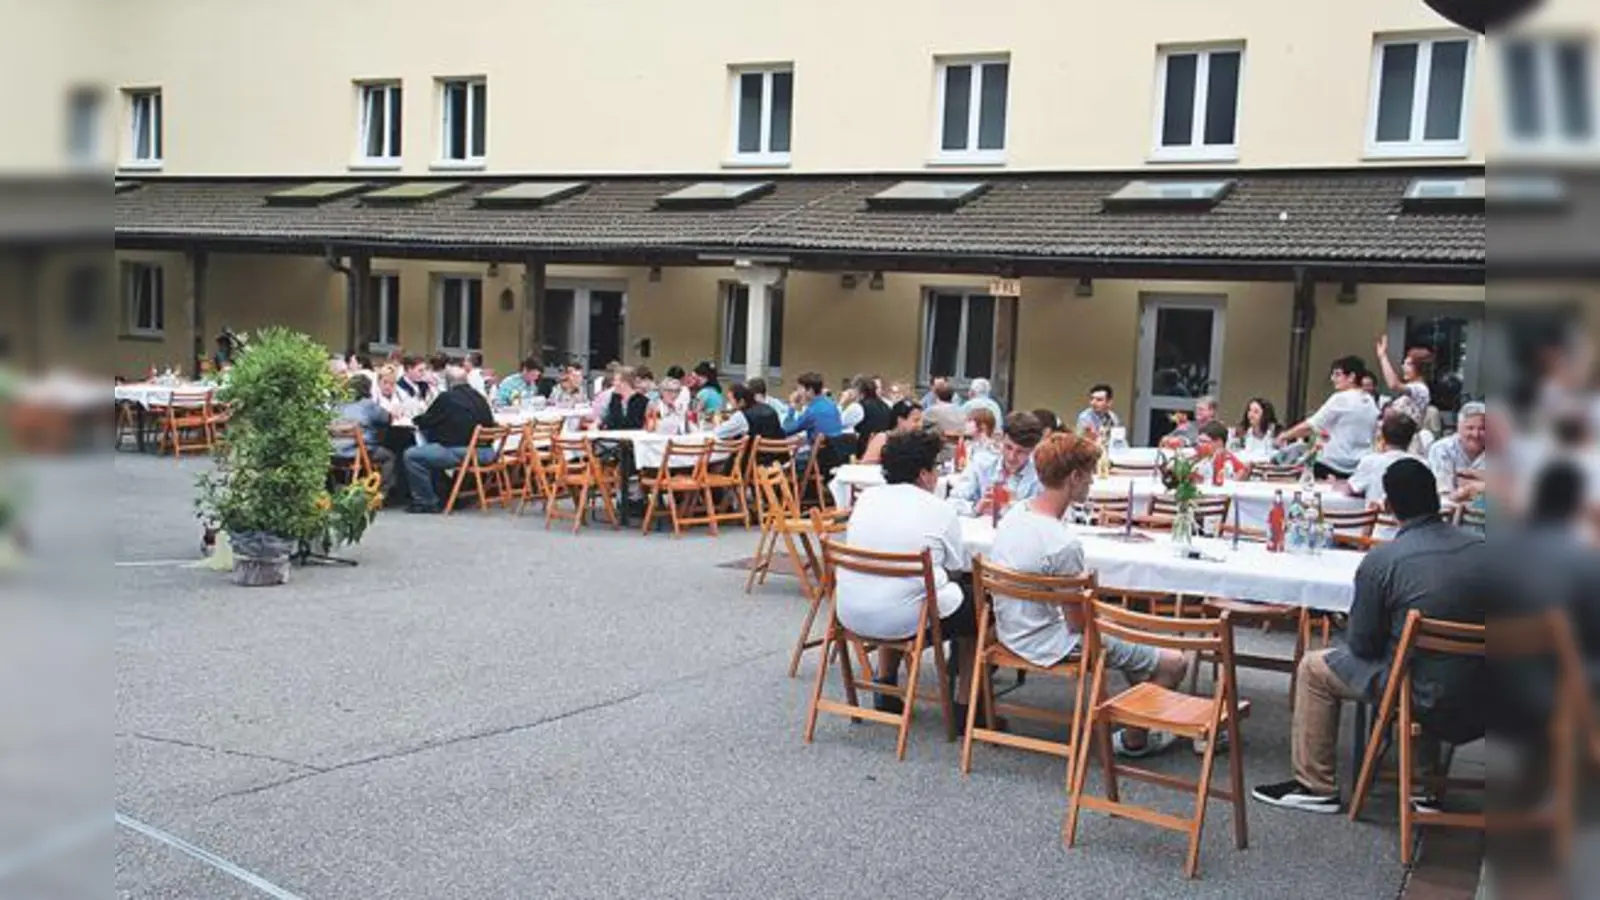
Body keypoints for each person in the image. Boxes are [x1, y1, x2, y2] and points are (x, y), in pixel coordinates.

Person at [1253, 459, 1486, 813]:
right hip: (1486, 690)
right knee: (1428, 658)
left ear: (1389, 507)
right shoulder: (1482, 548)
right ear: (1437, 501)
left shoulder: (1384, 561)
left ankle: (1315, 786)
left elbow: (1363, 644)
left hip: (1420, 690)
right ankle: (1423, 786)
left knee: (1315, 668)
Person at [988, 432, 1190, 756]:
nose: (1093, 482)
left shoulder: (1015, 515)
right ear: (1074, 477)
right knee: (1175, 662)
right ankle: (1134, 738)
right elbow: (1079, 625)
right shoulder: (1062, 544)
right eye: (1091, 474)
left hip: (1012, 629)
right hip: (1049, 641)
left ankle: (1137, 703)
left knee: (1126, 636)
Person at [836, 429, 979, 721]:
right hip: (904, 618)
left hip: (850, 611)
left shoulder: (867, 499)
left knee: (904, 587)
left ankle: (886, 685)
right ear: (925, 474)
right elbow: (956, 564)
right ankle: (967, 706)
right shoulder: (939, 509)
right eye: (936, 468)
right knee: (978, 608)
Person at [402, 370, 497, 514]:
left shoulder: (447, 398)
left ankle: (426, 501)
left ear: (448, 383)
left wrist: (415, 419)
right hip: (487, 452)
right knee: (433, 451)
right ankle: (449, 491)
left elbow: (427, 420)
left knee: (412, 455)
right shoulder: (479, 397)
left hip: (465, 452)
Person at [1277, 356, 1380, 480]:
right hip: (1360, 466)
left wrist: (1284, 436)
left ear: (1352, 377)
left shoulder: (1340, 398)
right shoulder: (1370, 401)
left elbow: (1311, 426)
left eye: (1337, 374)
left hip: (1333, 464)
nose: (1333, 379)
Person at [949, 412, 1045, 517]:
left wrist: (1017, 509)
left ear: (1033, 450)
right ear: (1002, 438)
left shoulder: (1041, 474)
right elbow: (952, 502)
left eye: (1021, 452)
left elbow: (1046, 517)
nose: (1011, 457)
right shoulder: (981, 462)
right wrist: (976, 507)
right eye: (1008, 447)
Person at [331, 374, 397, 501]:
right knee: (389, 457)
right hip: (356, 452)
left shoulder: (337, 405)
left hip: (334, 452)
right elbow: (387, 418)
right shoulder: (368, 405)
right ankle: (381, 494)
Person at [1342, 413, 1420, 507]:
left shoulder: (1370, 462)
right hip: (1413, 521)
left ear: (1382, 437)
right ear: (1411, 438)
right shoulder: (1422, 464)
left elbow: (1351, 489)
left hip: (1377, 520)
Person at [1427, 401, 1487, 499]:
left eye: (1482, 429)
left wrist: (1472, 487)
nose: (1476, 434)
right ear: (1459, 427)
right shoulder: (1442, 449)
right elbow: (1444, 494)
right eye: (1470, 428)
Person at [1375, 334, 1433, 427]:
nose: (1403, 367)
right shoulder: (1416, 387)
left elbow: (1393, 384)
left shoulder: (1420, 389)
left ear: (1419, 367)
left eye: (1408, 364)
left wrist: (1383, 357)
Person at [716, 382, 786, 442]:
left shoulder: (742, 416)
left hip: (756, 456)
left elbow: (719, 433)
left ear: (741, 401)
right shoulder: (768, 407)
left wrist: (717, 421)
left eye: (730, 400)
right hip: (779, 455)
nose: (729, 403)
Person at [852, 375, 896, 448]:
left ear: (859, 390)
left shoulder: (860, 406)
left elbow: (851, 426)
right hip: (884, 445)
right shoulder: (885, 406)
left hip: (866, 446)